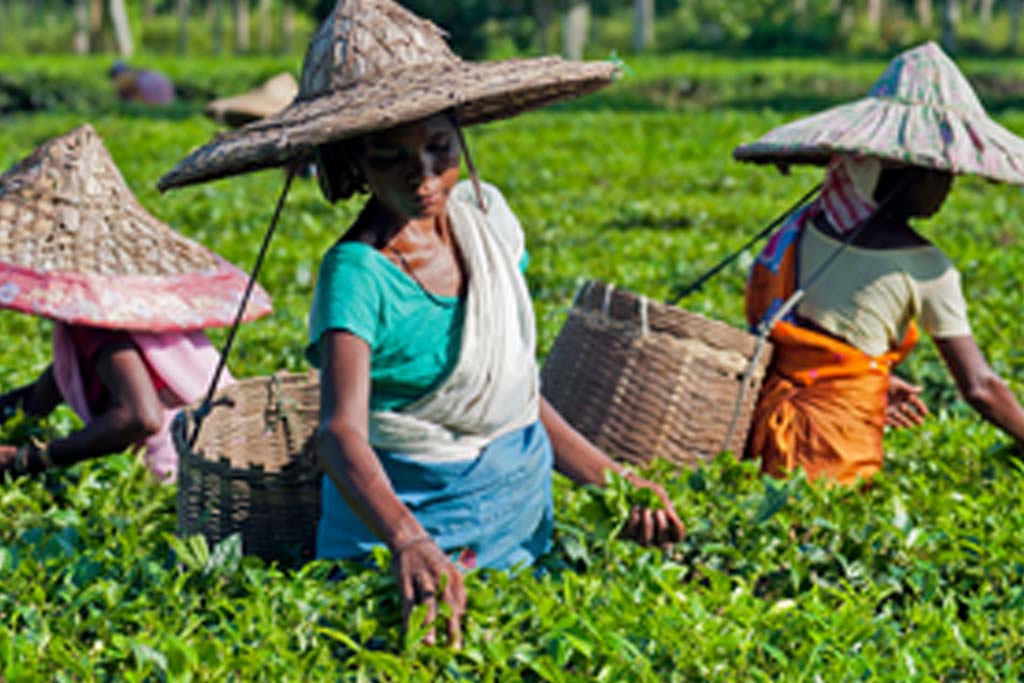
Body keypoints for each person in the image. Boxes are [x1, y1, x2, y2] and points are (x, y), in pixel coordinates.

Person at [157, 0, 684, 647]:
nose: (427, 177)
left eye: (440, 148)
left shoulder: (486, 223)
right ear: (354, 165)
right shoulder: (357, 273)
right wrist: (409, 539)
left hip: (520, 527)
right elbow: (338, 433)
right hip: (394, 541)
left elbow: (517, 399)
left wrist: (616, 480)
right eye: (392, 158)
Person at [734, 42, 1024, 485]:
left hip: (761, 443)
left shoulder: (803, 230)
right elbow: (980, 387)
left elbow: (810, 344)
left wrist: (866, 381)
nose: (946, 188)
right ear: (909, 174)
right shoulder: (927, 266)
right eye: (940, 174)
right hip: (837, 456)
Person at [0, 124, 272, 482]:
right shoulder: (112, 312)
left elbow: (140, 416)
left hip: (191, 474)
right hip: (233, 452)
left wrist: (31, 459)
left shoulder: (97, 320)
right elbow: (41, 396)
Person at [109, 61, 176, 106]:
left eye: (117, 79)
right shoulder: (143, 76)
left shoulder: (143, 82)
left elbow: (143, 103)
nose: (116, 83)